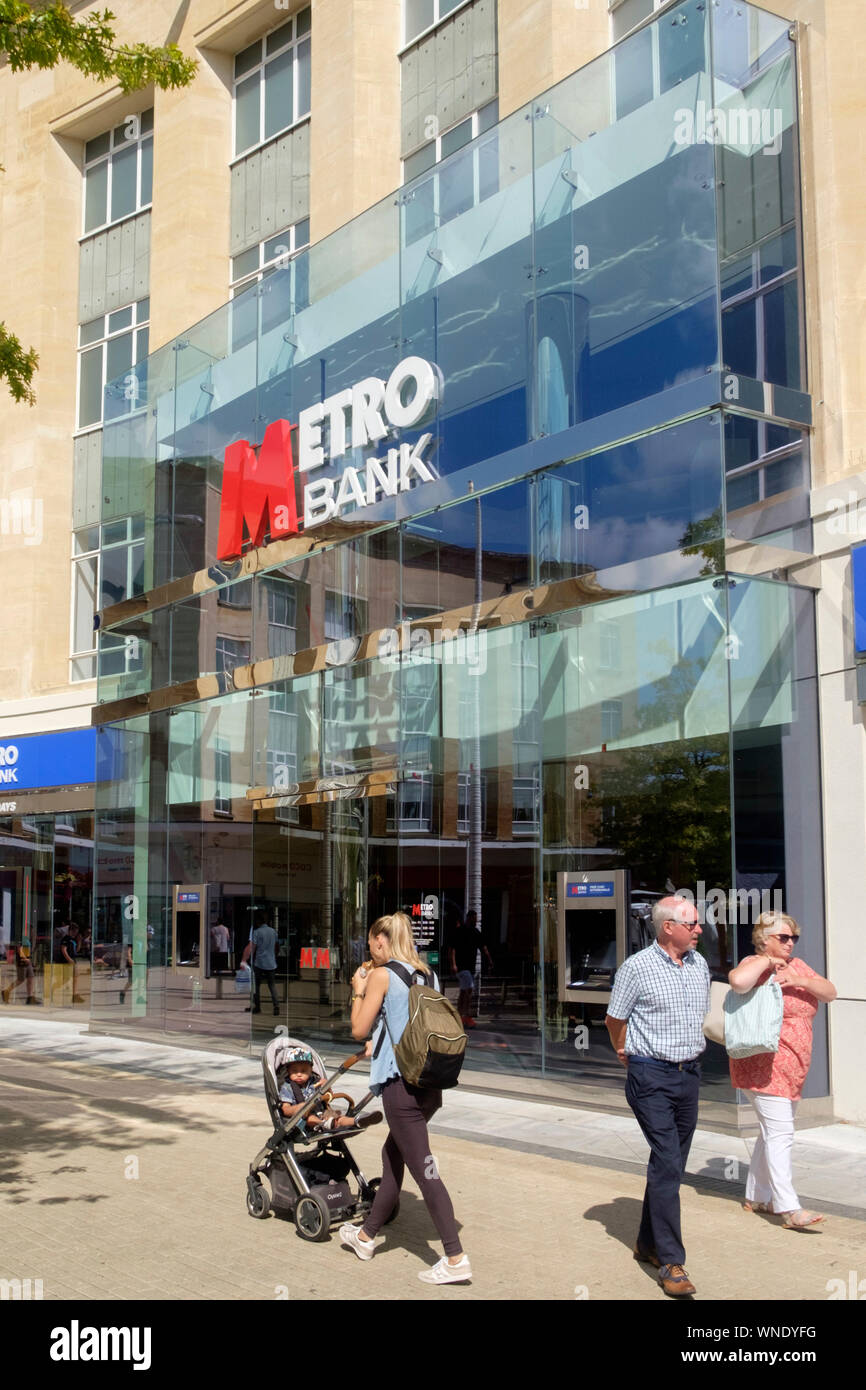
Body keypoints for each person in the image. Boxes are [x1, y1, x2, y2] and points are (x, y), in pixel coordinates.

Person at [339, 911, 472, 1285]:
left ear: (381, 941)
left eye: (371, 944)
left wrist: (358, 988)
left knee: (425, 1169)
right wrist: (378, 1042)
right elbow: (409, 1024)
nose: (370, 951)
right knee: (392, 1154)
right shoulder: (427, 974)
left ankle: (455, 1257)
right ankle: (365, 1237)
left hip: (401, 1087)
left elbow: (357, 1027)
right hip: (430, 1084)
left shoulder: (381, 975)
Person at [605, 895, 709, 1298]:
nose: (699, 929)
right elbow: (615, 1017)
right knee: (667, 1160)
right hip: (650, 1075)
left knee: (670, 1165)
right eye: (693, 923)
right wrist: (623, 1050)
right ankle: (671, 1260)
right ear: (668, 927)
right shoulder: (637, 967)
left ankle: (647, 1243)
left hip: (690, 1074)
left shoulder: (699, 965)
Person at [728, 910, 836, 1230]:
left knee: (770, 1131)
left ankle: (757, 1195)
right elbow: (737, 981)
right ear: (764, 940)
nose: (790, 943)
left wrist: (799, 979)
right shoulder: (754, 963)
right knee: (781, 1133)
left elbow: (830, 992)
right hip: (763, 1064)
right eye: (783, 938)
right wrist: (766, 961)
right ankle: (789, 1207)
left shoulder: (798, 966)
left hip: (793, 1066)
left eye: (794, 937)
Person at [278, 1046, 379, 1135]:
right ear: (288, 1071)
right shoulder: (287, 1087)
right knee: (309, 1118)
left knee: (339, 1119)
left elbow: (328, 1097)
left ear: (311, 1070)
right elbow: (285, 1110)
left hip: (323, 1112)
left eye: (304, 1071)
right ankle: (323, 1124)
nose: (299, 1074)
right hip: (304, 1118)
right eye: (294, 1071)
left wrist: (327, 1087)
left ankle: (357, 1121)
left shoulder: (315, 1082)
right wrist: (298, 1108)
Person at [448, 909, 493, 1027]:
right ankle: (466, 1016)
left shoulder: (475, 932)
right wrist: (453, 964)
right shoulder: (459, 931)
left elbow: (484, 948)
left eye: (476, 920)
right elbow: (451, 949)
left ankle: (458, 1016)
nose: (475, 921)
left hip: (470, 967)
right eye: (473, 919)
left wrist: (489, 961)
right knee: (469, 990)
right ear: (468, 918)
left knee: (464, 992)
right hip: (462, 967)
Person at [245, 914, 279, 1016]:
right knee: (272, 985)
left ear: (258, 922)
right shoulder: (273, 931)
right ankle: (276, 1006)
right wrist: (274, 956)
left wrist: (249, 959)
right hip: (271, 963)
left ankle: (258, 1007)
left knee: (256, 986)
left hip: (259, 963)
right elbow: (277, 946)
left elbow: (253, 948)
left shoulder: (257, 932)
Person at [60, 923, 86, 1004]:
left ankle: (74, 994)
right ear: (70, 931)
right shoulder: (66, 939)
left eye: (76, 932)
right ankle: (71, 994)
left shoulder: (73, 939)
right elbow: (63, 949)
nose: (75, 933)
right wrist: (69, 959)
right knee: (68, 978)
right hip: (68, 961)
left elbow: (77, 950)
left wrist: (79, 941)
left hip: (73, 960)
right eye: (74, 931)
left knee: (75, 977)